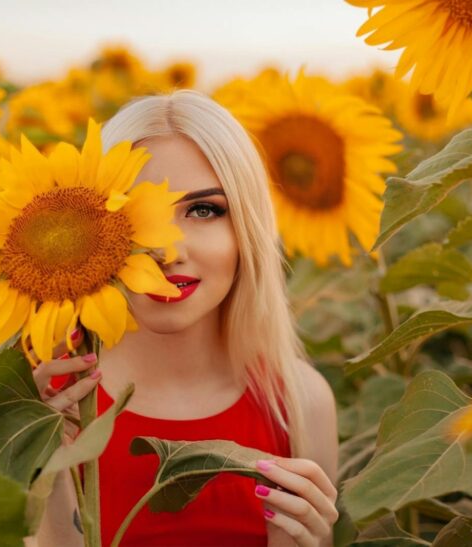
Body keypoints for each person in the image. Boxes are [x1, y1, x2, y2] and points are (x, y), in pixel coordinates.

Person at [29, 90, 339, 547]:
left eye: (203, 210)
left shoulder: (298, 401)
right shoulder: (53, 397)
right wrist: (46, 473)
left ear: (246, 231)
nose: (168, 250)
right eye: (135, 212)